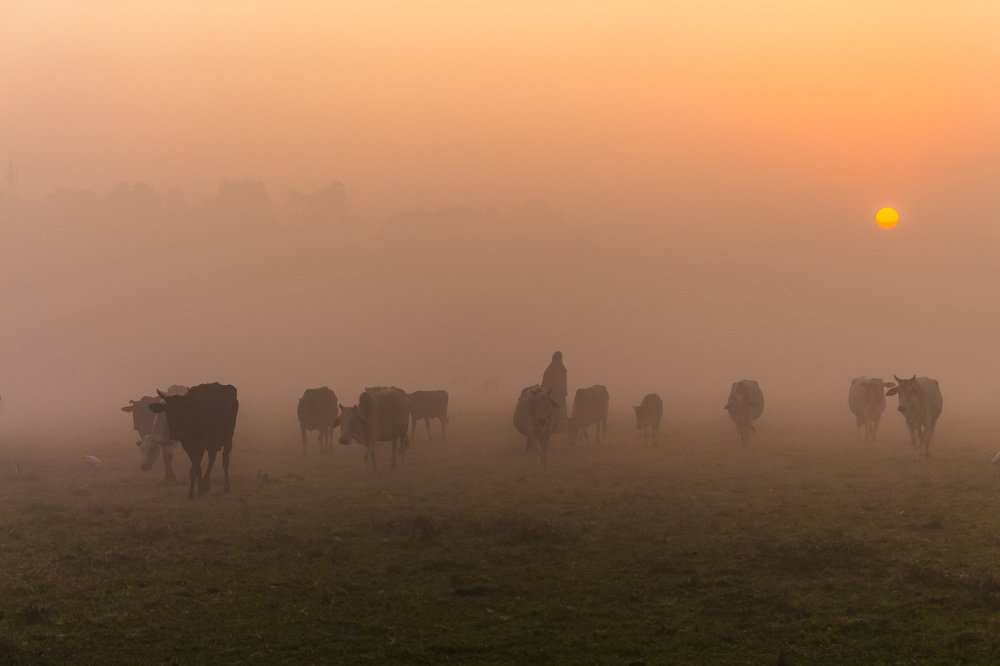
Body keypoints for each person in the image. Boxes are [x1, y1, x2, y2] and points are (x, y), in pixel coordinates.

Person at [541, 351, 568, 430]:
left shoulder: (560, 369)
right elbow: (546, 381)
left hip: (557, 393)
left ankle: (560, 424)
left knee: (558, 409)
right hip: (552, 393)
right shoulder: (554, 369)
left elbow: (563, 382)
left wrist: (564, 391)